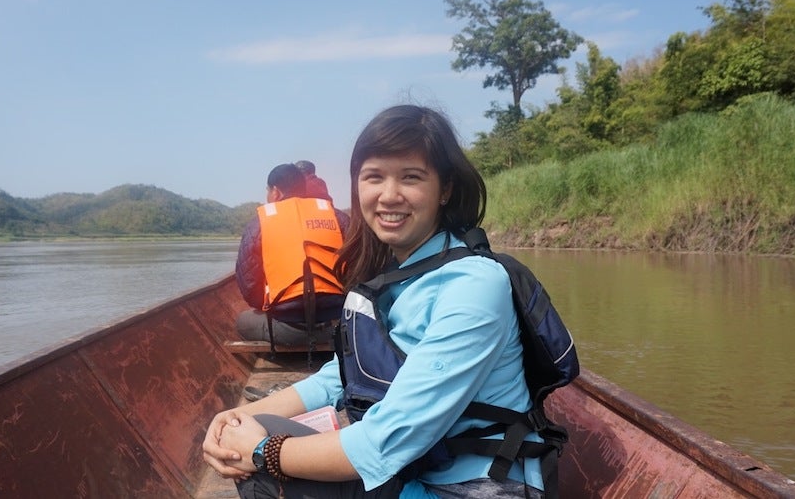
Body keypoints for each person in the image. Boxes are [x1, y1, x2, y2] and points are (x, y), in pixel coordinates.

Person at [203, 105, 547, 498]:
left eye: (411, 177)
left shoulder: (474, 285)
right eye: (374, 177)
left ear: (445, 189)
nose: (389, 195)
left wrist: (262, 451)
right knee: (243, 434)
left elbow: (383, 443)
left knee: (258, 462)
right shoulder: (395, 275)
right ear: (357, 186)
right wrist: (234, 417)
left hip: (474, 487)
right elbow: (339, 377)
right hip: (416, 470)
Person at [235, 163, 350, 347]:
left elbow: (249, 286)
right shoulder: (338, 218)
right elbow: (359, 269)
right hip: (337, 325)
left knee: (243, 321)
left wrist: (268, 305)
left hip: (288, 329)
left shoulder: (259, 224)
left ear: (275, 192)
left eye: (267, 191)